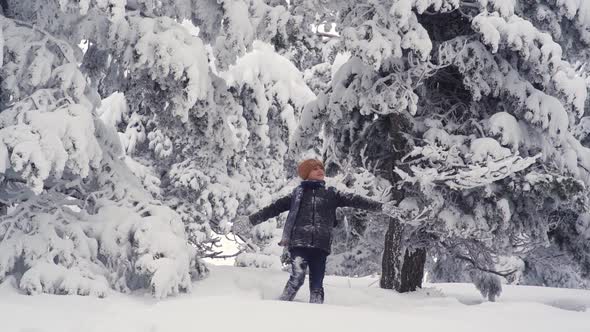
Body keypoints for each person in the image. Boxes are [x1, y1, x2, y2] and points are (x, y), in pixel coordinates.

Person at [245, 158, 387, 304]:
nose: (320, 170)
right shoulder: (296, 195)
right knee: (297, 277)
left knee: (317, 284)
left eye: (321, 168)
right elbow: (272, 209)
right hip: (299, 243)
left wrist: (382, 208)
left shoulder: (332, 193)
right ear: (306, 174)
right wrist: (250, 221)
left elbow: (357, 200)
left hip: (321, 246)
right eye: (315, 169)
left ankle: (317, 313)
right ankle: (281, 305)